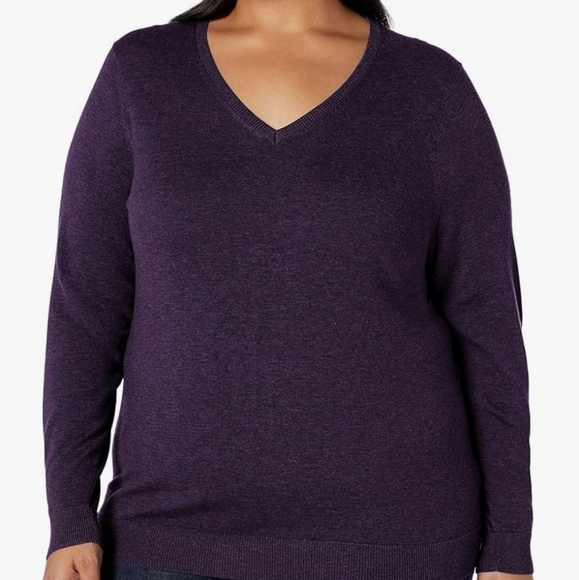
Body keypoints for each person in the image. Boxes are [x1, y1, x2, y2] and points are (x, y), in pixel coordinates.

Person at [41, 1, 535, 579]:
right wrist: (70, 519)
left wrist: (509, 544)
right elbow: (85, 312)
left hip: (397, 546)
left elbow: (490, 328)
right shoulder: (141, 73)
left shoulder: (430, 87)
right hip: (168, 540)